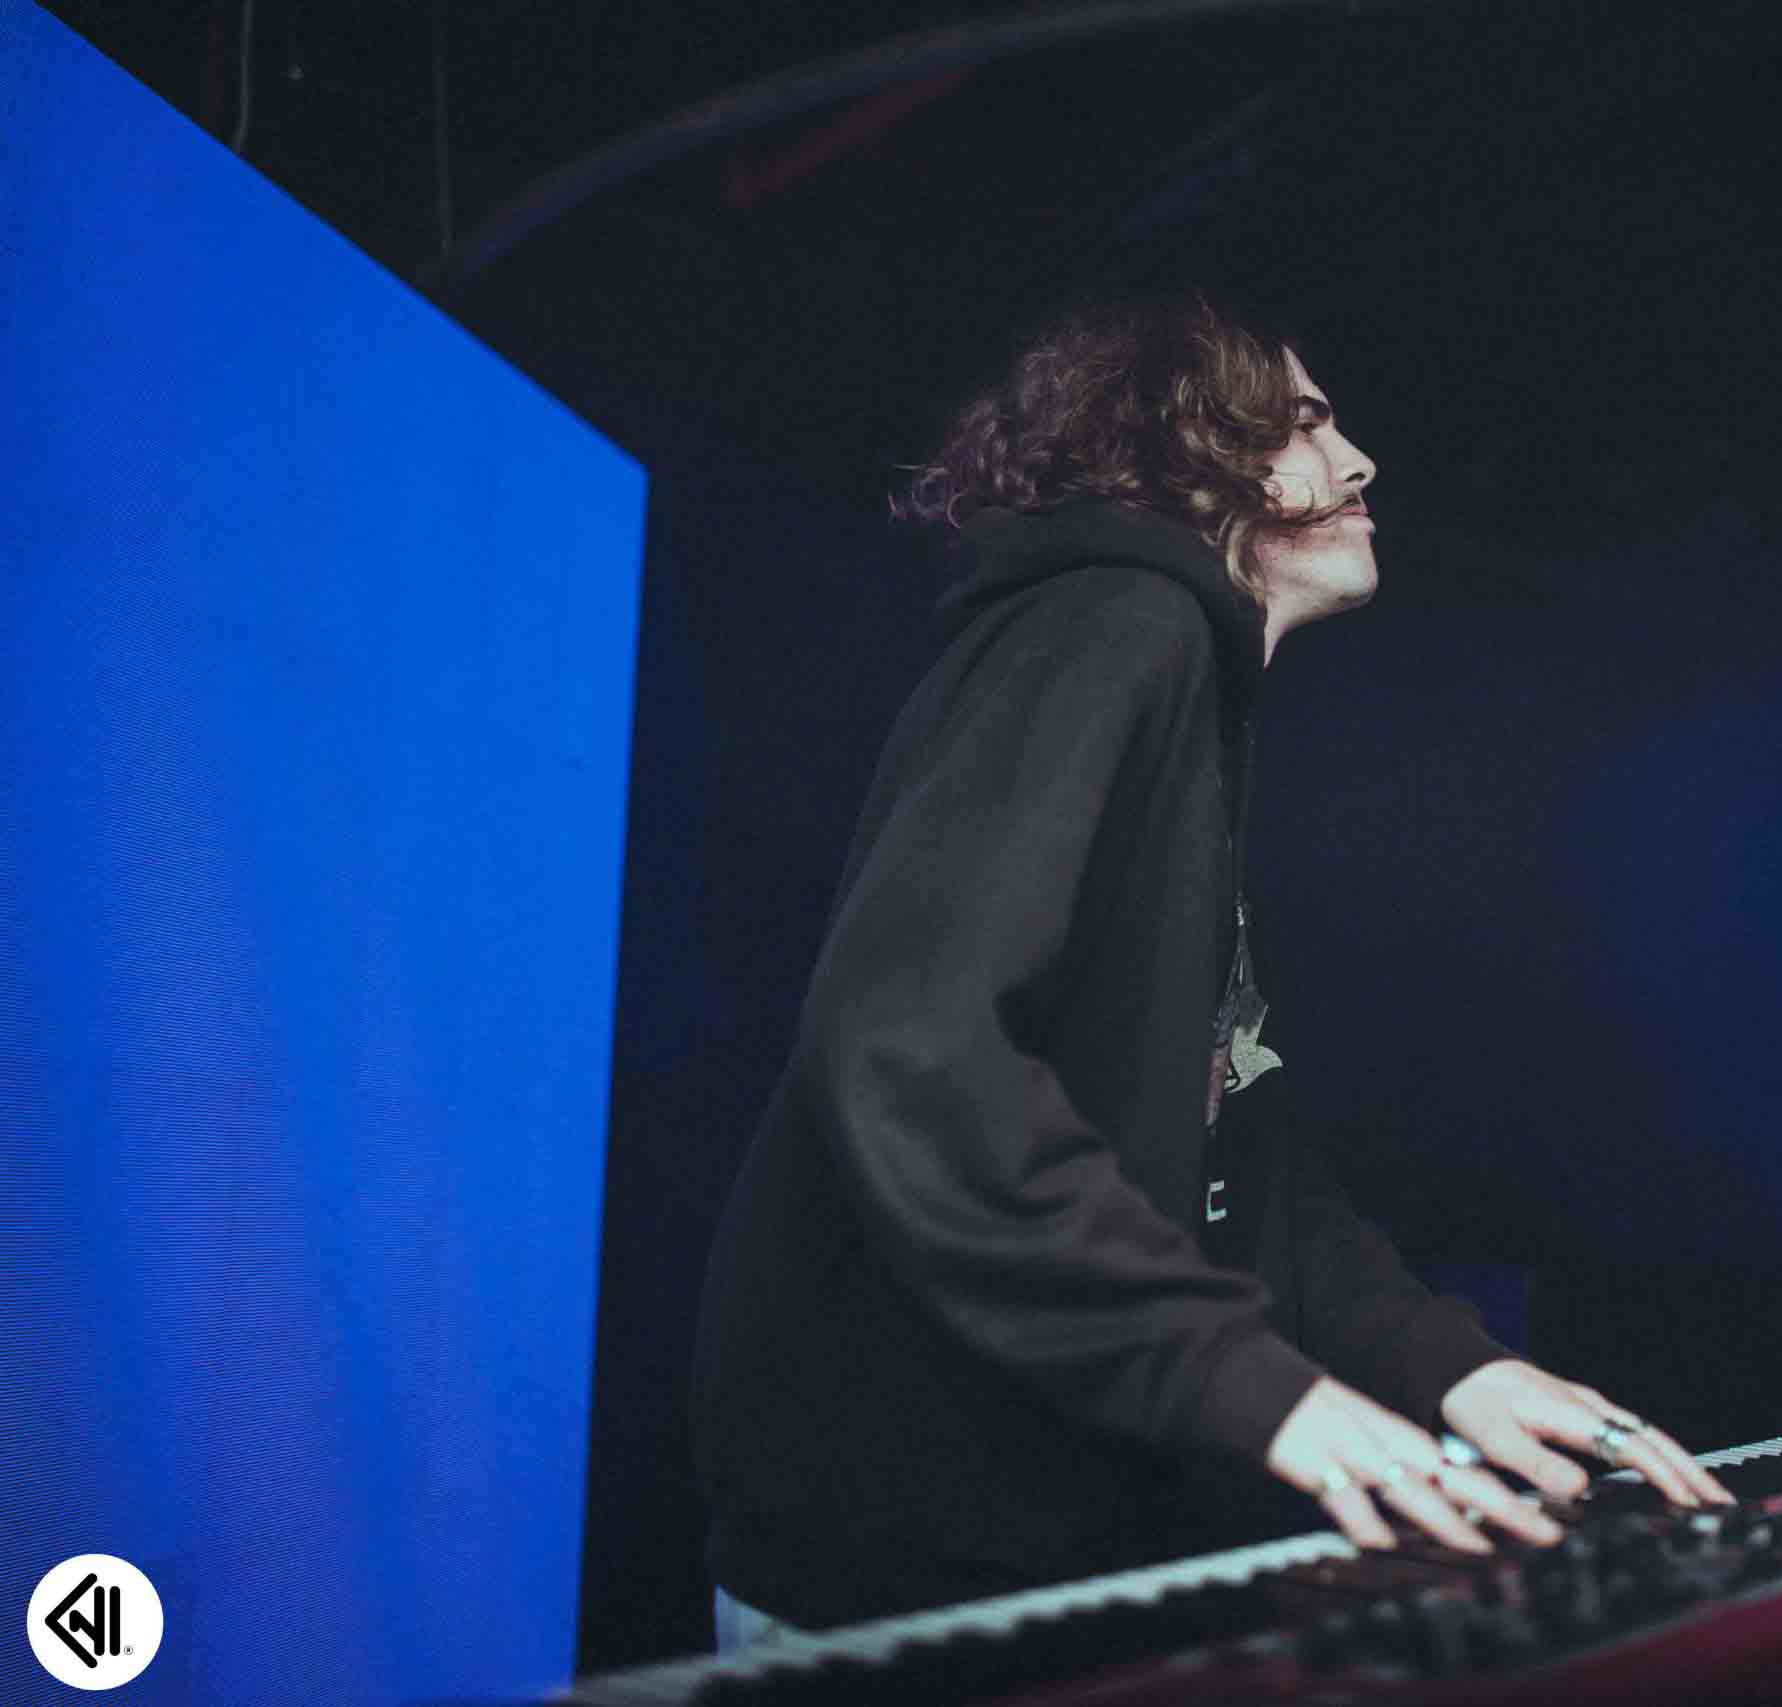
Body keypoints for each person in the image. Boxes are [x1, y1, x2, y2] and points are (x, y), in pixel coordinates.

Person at [690, 294, 1728, 1649]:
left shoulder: (1184, 689)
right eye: (1303, 424)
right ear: (1182, 456)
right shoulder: (1118, 618)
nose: (1357, 460)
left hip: (1030, 1548)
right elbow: (912, 1045)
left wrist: (1447, 1367)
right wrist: (1245, 1382)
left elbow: (1251, 1162)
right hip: (902, 1557)